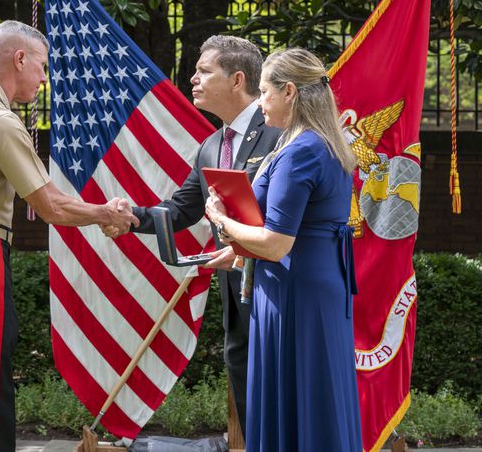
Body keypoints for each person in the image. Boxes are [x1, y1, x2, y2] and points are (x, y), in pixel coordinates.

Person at [0, 20, 138, 452]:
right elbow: (52, 206)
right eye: (43, 66)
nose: (44, 78)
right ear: (20, 59)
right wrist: (106, 212)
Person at [103, 35, 280, 438]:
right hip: (236, 292)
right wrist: (132, 217)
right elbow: (182, 210)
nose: (192, 79)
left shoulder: (279, 131)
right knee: (246, 388)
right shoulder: (211, 145)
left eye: (204, 71)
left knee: (281, 394)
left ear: (237, 80)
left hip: (278, 289)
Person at [205, 48, 362, 451]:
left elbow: (276, 243)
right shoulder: (322, 143)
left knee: (298, 399)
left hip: (294, 291)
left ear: (289, 91)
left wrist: (223, 222)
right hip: (315, 285)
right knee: (317, 399)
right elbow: (300, 231)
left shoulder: (300, 152)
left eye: (263, 92)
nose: (259, 103)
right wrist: (240, 250)